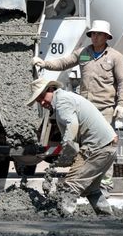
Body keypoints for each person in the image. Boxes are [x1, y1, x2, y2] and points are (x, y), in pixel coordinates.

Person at [26, 77, 117, 217]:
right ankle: (106, 215)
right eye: (39, 101)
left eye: (42, 97)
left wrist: (66, 151)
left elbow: (72, 125)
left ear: (51, 89)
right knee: (90, 188)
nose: (42, 103)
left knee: (71, 185)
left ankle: (64, 218)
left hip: (97, 147)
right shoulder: (66, 98)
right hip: (107, 146)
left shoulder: (62, 102)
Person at [32, 20, 123, 124]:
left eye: (99, 34)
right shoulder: (83, 53)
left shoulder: (116, 57)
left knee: (103, 134)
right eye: (93, 34)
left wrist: (121, 104)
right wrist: (44, 63)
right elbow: (64, 63)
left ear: (106, 37)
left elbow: (122, 82)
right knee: (85, 134)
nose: (95, 37)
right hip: (85, 107)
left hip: (105, 110)